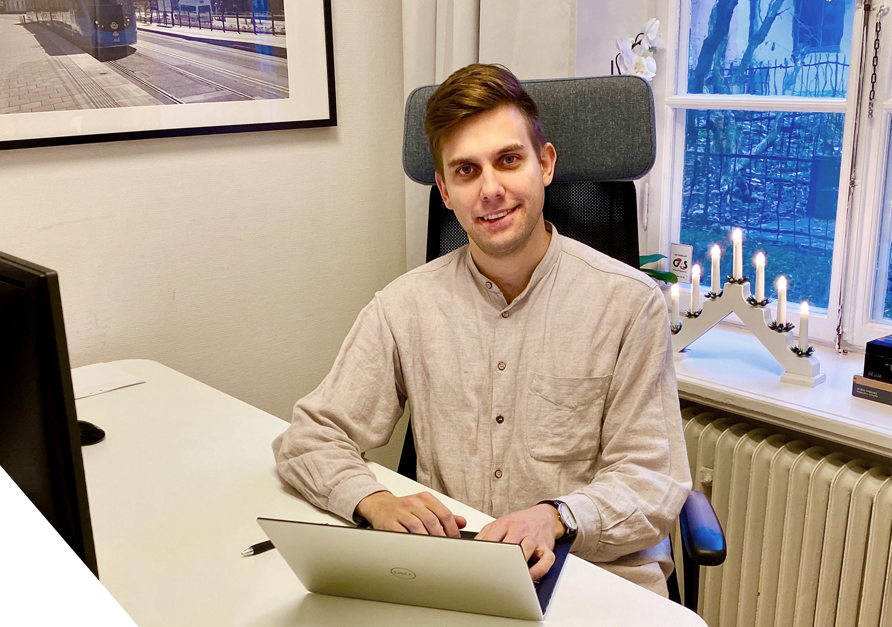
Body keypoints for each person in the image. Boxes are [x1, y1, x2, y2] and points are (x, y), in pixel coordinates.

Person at [272, 63, 690, 596]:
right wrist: (371, 500)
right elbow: (309, 438)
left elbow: (651, 480)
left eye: (508, 160)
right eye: (466, 171)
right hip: (456, 576)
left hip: (593, 576)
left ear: (545, 164)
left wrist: (555, 516)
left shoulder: (631, 305)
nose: (490, 190)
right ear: (445, 192)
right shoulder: (404, 306)